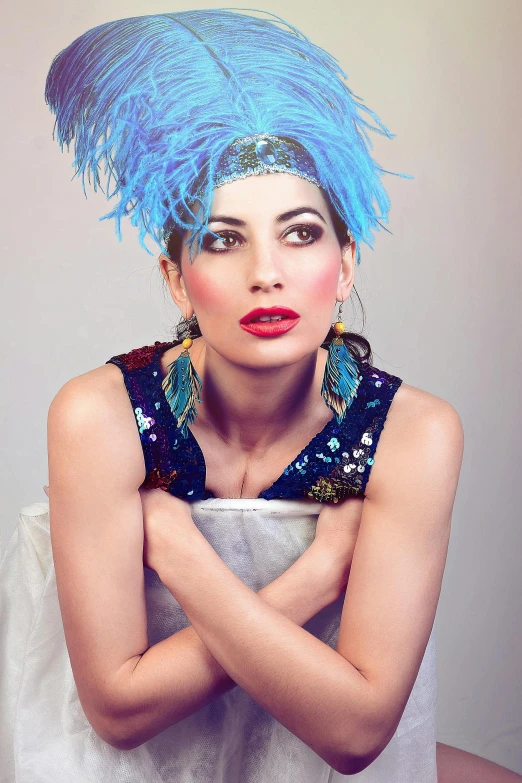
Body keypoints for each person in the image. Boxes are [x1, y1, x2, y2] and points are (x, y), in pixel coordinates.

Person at [1, 8, 520, 782]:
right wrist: (314, 576)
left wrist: (178, 551)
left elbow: (355, 733)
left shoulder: (414, 432)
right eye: (222, 237)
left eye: (301, 233)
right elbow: (116, 710)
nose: (266, 271)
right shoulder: (100, 415)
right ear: (177, 276)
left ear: (345, 264)